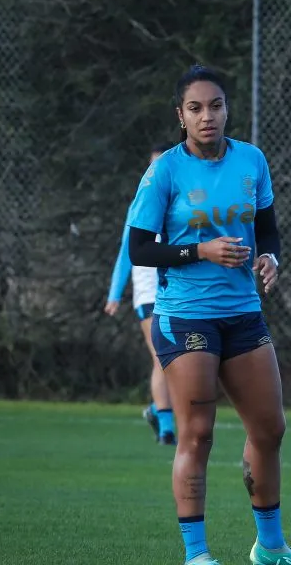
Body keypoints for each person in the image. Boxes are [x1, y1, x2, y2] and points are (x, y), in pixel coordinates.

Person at [127, 64, 291, 565]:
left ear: (227, 110)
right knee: (198, 433)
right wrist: (201, 252)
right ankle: (198, 555)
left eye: (215, 105)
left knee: (270, 429)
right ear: (180, 117)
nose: (207, 116)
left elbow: (269, 228)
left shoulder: (252, 160)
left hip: (243, 313)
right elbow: (140, 249)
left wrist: (270, 256)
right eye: (195, 108)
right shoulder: (165, 169)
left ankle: (270, 548)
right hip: (187, 316)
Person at [105, 142, 177, 445]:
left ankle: (157, 410)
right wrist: (114, 293)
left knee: (182, 361)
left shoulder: (186, 201)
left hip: (180, 292)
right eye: (153, 164)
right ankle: (167, 428)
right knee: (162, 358)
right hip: (149, 293)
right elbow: (126, 251)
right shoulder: (143, 202)